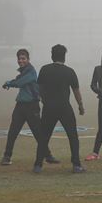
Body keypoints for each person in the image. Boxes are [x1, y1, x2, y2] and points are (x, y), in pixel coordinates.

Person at [0, 48, 59, 166]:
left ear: (28, 59)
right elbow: (18, 80)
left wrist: (8, 83)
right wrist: (10, 82)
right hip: (20, 106)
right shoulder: (23, 71)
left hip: (32, 106)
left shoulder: (31, 72)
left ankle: (48, 156)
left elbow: (20, 82)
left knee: (38, 133)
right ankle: (7, 156)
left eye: (23, 58)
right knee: (13, 132)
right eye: (19, 59)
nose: (21, 61)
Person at [34, 44, 86, 174]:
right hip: (64, 107)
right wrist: (80, 106)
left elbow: (38, 89)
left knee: (44, 137)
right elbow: (76, 91)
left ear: (52, 56)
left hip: (49, 107)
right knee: (73, 136)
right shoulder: (69, 71)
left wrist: (43, 100)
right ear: (64, 57)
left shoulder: (44, 70)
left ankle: (38, 165)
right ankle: (76, 164)